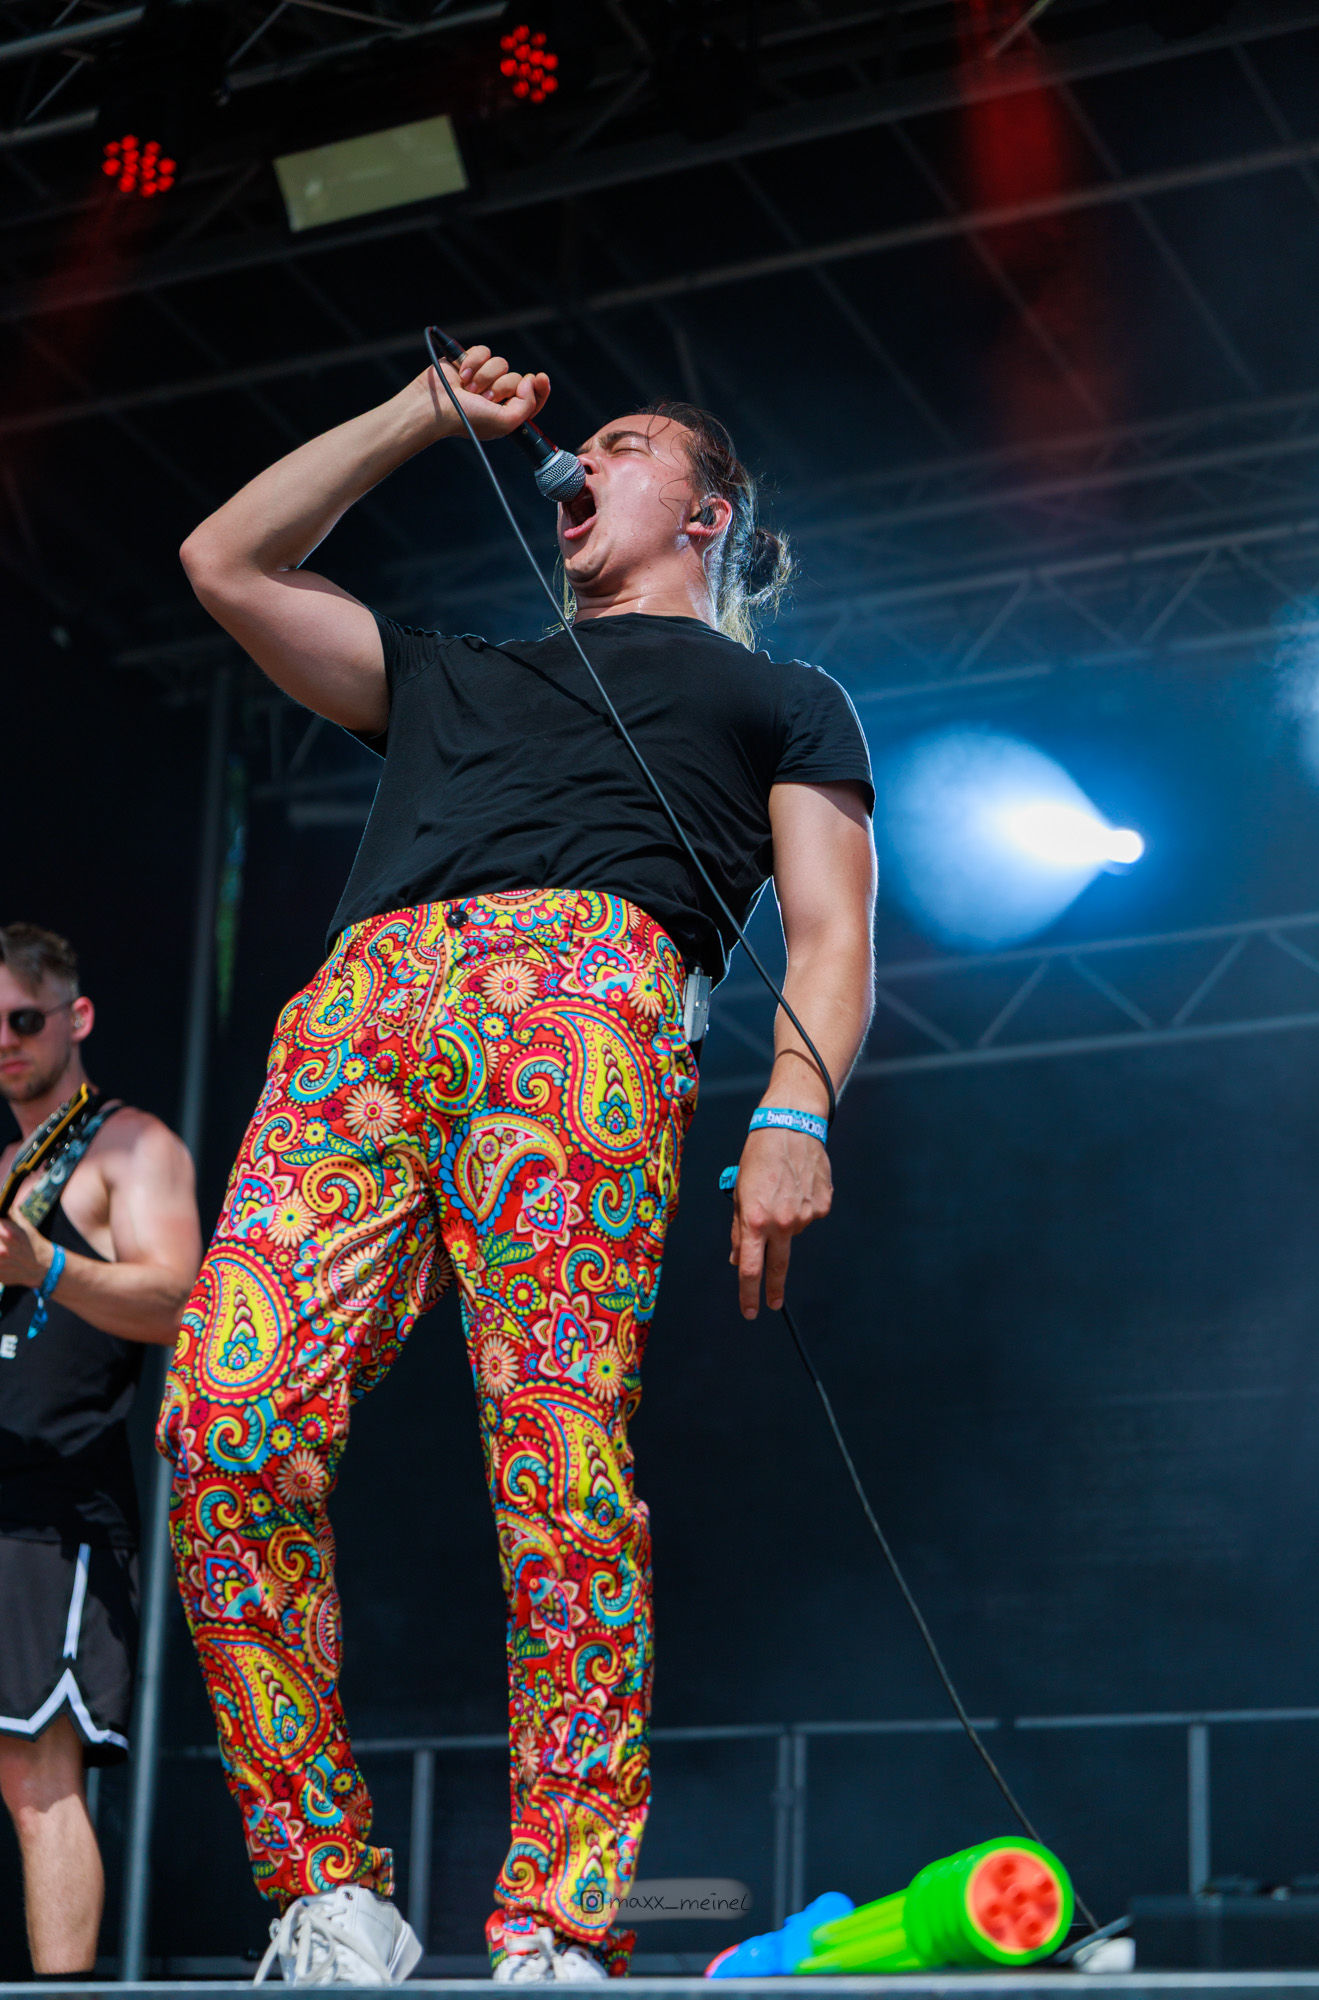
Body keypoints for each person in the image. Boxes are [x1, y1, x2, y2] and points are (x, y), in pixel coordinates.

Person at [163, 346, 876, 1987]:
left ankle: (557, 1916)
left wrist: (791, 1111)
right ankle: (327, 1893)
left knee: (557, 1455)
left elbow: (831, 932)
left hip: (582, 1008)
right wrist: (422, 416)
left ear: (705, 512)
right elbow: (223, 561)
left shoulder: (780, 698)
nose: (581, 462)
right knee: (224, 1422)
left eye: (621, 444)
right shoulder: (452, 673)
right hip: (362, 1016)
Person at [0, 922, 202, 1975]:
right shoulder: (8, 1165)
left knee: (40, 1778)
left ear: (74, 1017)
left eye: (23, 1018)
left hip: (60, 1511)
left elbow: (179, 1300)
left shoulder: (132, 1144)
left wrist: (46, 1264)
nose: (6, 1041)